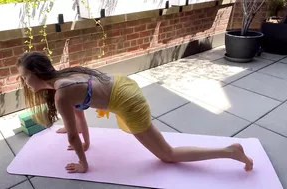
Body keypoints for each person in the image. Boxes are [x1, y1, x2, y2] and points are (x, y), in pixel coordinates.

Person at [17, 51, 253, 174]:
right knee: (152, 138)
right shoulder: (63, 78)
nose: (25, 83)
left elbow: (71, 135)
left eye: (26, 77)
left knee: (167, 155)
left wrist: (83, 164)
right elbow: (79, 116)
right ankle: (228, 151)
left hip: (127, 100)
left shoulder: (61, 94)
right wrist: (86, 143)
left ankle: (229, 151)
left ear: (37, 73)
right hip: (122, 84)